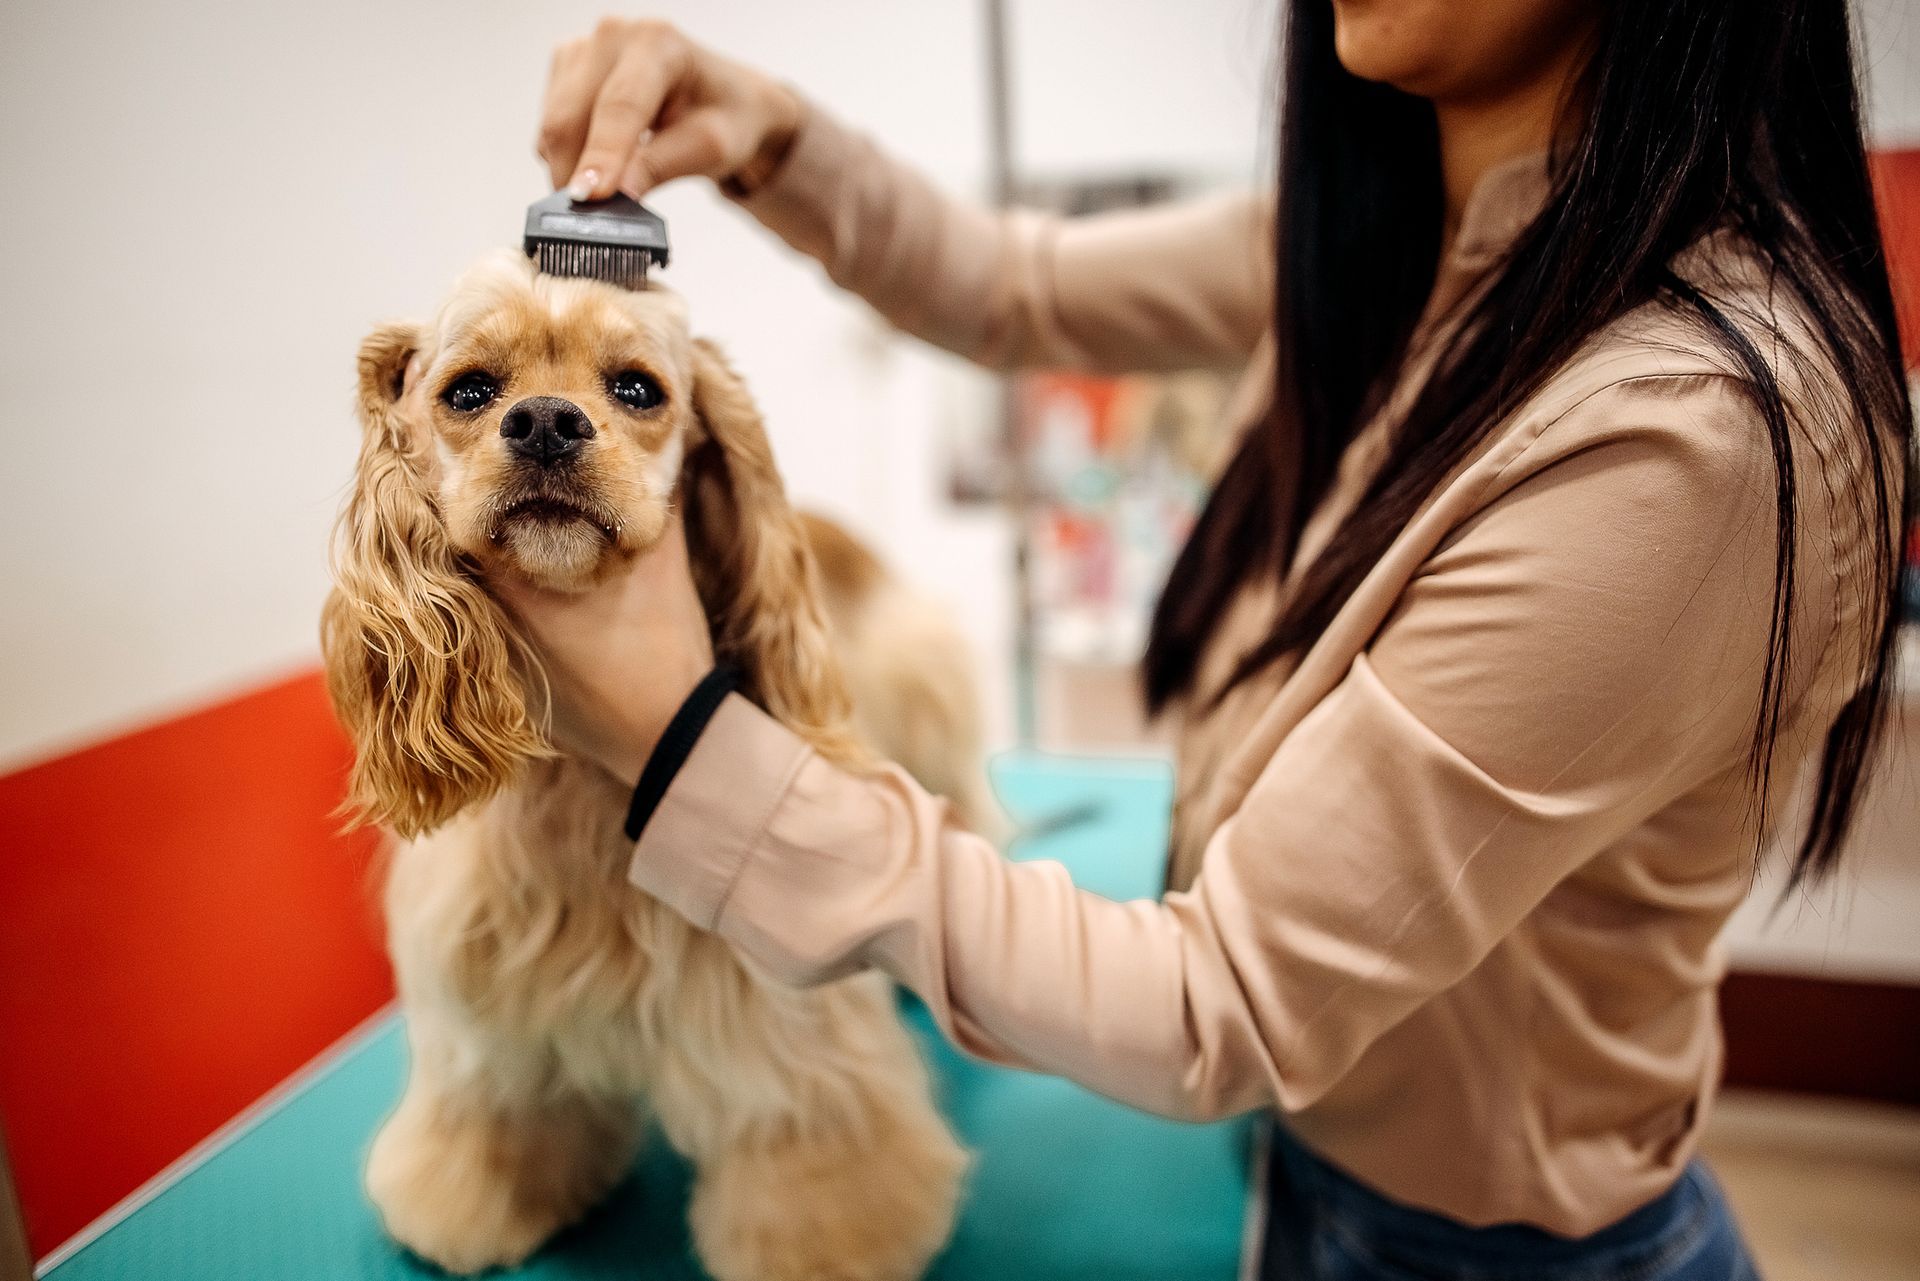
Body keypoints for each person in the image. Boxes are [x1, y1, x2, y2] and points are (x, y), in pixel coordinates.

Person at [499, 2, 1913, 1277]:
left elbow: (1219, 995)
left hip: (1484, 1254)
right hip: (1307, 1159)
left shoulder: (1691, 436)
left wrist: (685, 747)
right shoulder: (1394, 228)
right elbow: (1015, 286)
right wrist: (768, 134)